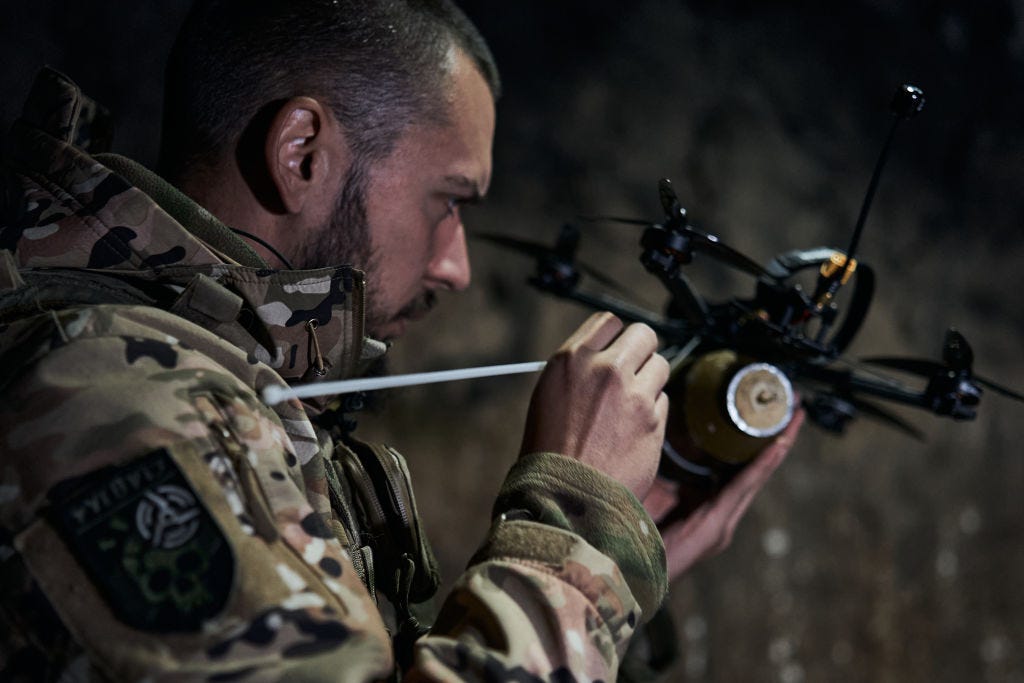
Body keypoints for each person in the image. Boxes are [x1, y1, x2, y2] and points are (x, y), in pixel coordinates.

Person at [0, 1, 801, 680]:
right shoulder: (116, 402)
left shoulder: (222, 388)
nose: (455, 265)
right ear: (303, 152)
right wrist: (572, 534)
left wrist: (606, 570)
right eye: (448, 200)